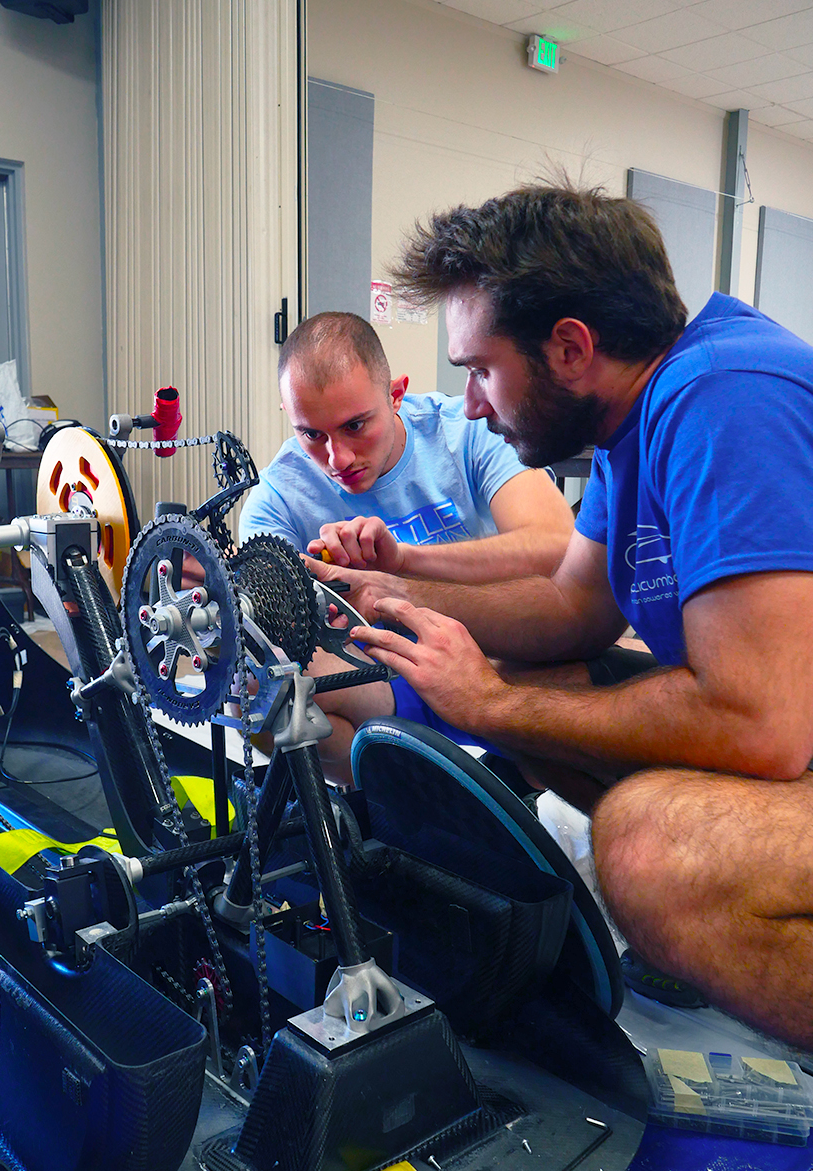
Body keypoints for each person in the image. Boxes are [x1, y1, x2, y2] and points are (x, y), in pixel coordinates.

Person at [328, 180, 813, 1050]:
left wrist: (493, 706)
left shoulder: (723, 397)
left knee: (648, 850)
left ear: (571, 348)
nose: (472, 404)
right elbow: (570, 608)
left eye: (481, 369)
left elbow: (760, 722)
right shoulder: (638, 419)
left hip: (789, 735)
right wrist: (392, 596)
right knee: (539, 685)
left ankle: (707, 912)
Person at [240, 311, 573, 782]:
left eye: (356, 425)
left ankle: (492, 788)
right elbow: (261, 627)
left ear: (395, 394)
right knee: (257, 691)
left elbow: (557, 546)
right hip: (383, 684)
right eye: (312, 434)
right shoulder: (277, 494)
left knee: (586, 675)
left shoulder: (466, 432)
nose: (337, 458)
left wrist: (401, 562)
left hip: (490, 665)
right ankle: (410, 799)